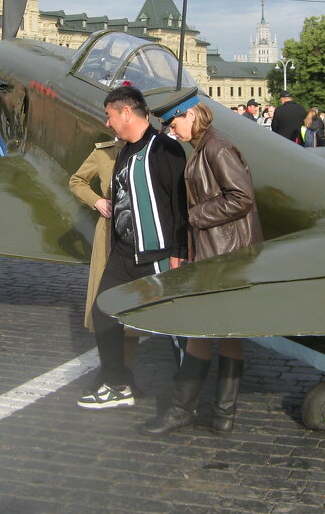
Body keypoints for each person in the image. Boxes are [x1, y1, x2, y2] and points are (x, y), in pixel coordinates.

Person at [138, 101, 262, 435]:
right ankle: (223, 415)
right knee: (227, 334)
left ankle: (182, 411)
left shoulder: (216, 148)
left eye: (172, 123)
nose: (170, 130)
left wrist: (194, 217)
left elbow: (241, 197)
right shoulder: (206, 145)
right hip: (226, 252)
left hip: (223, 253)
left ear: (190, 115)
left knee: (200, 330)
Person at [77, 85, 188, 410]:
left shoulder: (165, 150)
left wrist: (179, 253)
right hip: (124, 253)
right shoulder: (123, 149)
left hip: (157, 255)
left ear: (127, 112)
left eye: (110, 116)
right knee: (103, 312)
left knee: (174, 328)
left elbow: (180, 206)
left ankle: (186, 398)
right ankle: (117, 383)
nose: (107, 123)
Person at [69, 138, 143, 370]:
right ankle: (110, 372)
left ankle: (125, 372)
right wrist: (97, 201)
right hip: (108, 236)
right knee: (103, 307)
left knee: (132, 311)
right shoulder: (104, 152)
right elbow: (77, 180)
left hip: (138, 235)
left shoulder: (148, 149)